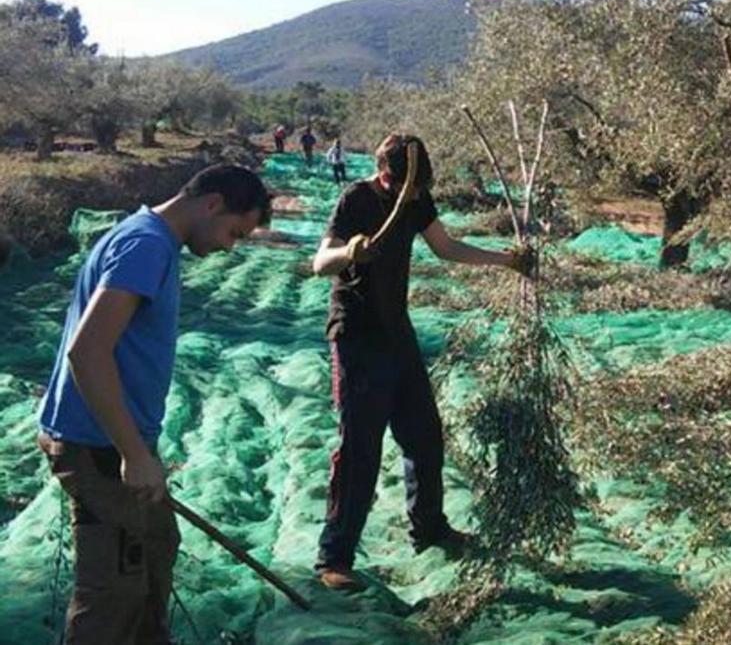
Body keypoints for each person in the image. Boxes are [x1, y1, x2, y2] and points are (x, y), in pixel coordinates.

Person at [37, 164, 272, 644]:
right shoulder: (147, 245)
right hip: (97, 445)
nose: (231, 246)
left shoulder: (148, 237)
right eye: (235, 232)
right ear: (212, 204)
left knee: (157, 548)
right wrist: (132, 455)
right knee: (113, 591)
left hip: (117, 441)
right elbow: (88, 351)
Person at [311, 133, 531, 592]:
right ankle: (334, 558)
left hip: (398, 334)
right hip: (357, 337)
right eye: (406, 186)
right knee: (360, 451)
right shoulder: (356, 198)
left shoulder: (416, 200)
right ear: (387, 175)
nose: (412, 195)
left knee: (425, 437)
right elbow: (320, 263)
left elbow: (446, 247)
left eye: (418, 188)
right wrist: (350, 251)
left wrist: (505, 261)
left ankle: (429, 529)